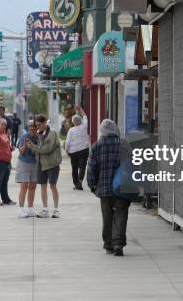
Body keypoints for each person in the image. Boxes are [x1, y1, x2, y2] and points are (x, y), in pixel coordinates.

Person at [87, 119, 132, 257]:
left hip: (104, 187)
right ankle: (118, 243)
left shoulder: (97, 146)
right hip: (122, 186)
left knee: (107, 217)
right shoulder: (124, 144)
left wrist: (92, 184)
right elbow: (133, 163)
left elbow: (91, 167)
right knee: (121, 213)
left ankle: (108, 244)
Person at [27, 114, 62, 218]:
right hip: (41, 164)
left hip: (52, 164)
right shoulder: (39, 134)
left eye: (39, 125)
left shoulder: (52, 133)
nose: (38, 127)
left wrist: (33, 147)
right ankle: (45, 209)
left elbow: (47, 149)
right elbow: (40, 148)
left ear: (45, 122)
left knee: (52, 185)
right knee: (43, 186)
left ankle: (56, 210)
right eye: (36, 125)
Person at [15, 122, 39, 218]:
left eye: (34, 127)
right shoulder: (24, 136)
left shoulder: (39, 137)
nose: (32, 129)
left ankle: (30, 208)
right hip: (24, 162)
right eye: (30, 127)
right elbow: (20, 151)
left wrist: (33, 145)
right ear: (28, 128)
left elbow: (40, 150)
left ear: (37, 128)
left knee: (33, 186)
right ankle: (21, 209)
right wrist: (25, 145)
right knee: (24, 185)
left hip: (34, 163)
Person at [65, 106, 90, 190]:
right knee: (83, 166)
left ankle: (76, 184)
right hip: (84, 150)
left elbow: (67, 142)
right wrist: (80, 109)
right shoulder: (84, 126)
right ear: (80, 121)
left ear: (73, 122)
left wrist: (67, 150)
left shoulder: (71, 130)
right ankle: (80, 181)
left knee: (74, 168)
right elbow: (85, 116)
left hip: (74, 152)